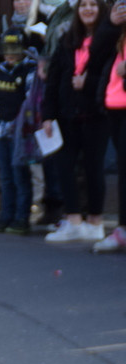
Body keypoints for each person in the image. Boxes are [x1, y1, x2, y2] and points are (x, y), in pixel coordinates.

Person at [42, 0, 117, 243]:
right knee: (64, 167)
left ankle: (95, 222)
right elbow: (53, 80)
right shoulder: (67, 39)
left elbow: (110, 75)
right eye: (83, 4)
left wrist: (89, 82)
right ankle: (73, 220)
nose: (87, 9)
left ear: (101, 9)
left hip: (96, 114)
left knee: (93, 168)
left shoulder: (109, 40)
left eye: (93, 5)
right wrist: (47, 115)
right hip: (67, 113)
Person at [0, 28, 37, 234]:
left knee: (20, 176)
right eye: (6, 49)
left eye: (14, 50)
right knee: (6, 176)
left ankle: (21, 217)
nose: (10, 54)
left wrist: (17, 127)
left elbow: (29, 103)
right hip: (2, 130)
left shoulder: (29, 71)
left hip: (19, 132)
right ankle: (5, 215)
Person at [94, 1, 126, 251]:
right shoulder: (117, 26)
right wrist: (110, 25)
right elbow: (96, 55)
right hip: (114, 105)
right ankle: (122, 228)